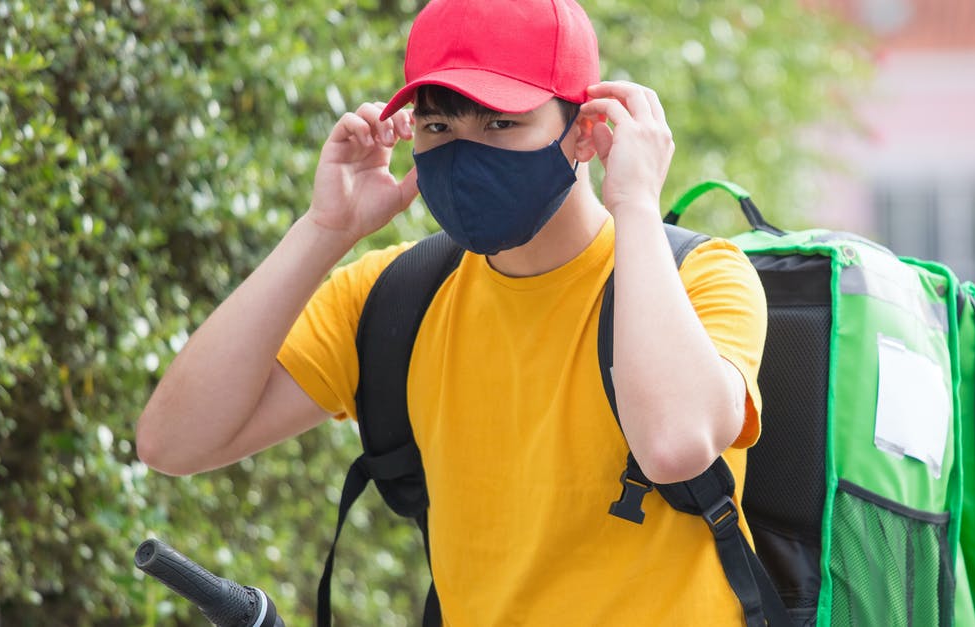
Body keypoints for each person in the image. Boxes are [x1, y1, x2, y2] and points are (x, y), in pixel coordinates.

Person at [136, 0, 768, 623]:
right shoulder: (394, 295)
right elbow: (174, 442)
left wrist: (634, 200)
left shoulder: (700, 278)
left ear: (585, 129)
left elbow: (673, 447)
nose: (466, 153)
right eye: (439, 127)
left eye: (499, 124)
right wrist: (325, 229)